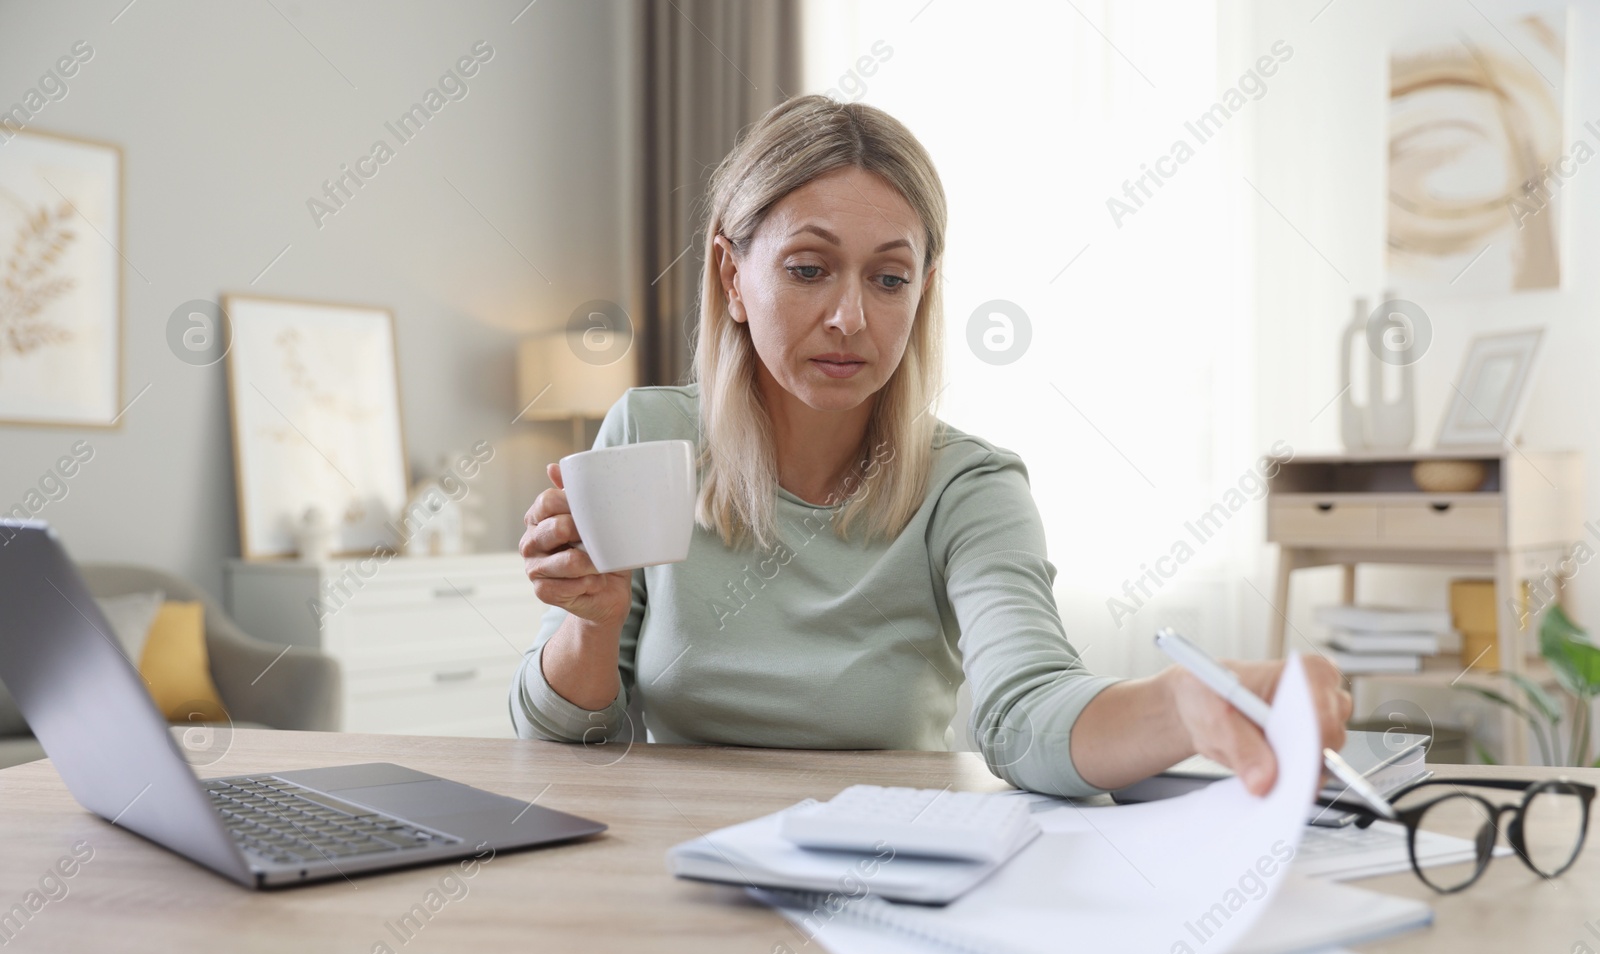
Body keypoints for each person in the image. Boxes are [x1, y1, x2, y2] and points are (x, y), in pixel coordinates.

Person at [511, 94, 1349, 798]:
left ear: (925, 289)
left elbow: (1027, 712)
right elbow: (572, 744)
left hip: (884, 867)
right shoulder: (651, 437)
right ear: (733, 277)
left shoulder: (968, 486)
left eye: (888, 277)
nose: (850, 317)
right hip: (679, 871)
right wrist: (591, 624)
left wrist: (1182, 703)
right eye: (808, 269)